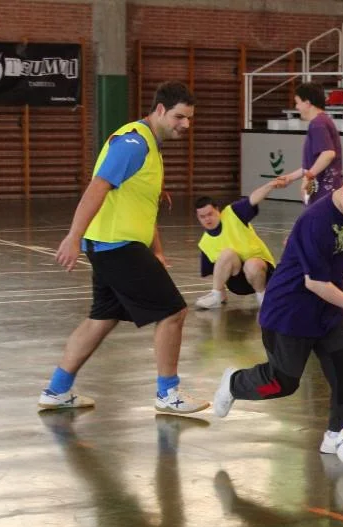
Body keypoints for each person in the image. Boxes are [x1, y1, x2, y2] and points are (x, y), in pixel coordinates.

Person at [40, 81, 209, 415]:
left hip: (113, 244)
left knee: (101, 319)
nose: (186, 125)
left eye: (189, 118)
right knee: (173, 312)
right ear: (160, 110)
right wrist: (73, 236)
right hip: (116, 245)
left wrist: (156, 250)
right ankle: (168, 393)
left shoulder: (150, 146)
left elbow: (142, 203)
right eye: (179, 117)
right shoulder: (133, 143)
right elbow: (97, 187)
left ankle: (56, 391)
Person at [211, 171, 343, 454]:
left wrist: (342, 303)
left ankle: (340, 434)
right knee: (281, 383)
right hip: (289, 312)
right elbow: (314, 282)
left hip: (327, 310)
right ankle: (235, 383)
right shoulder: (317, 220)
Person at [193, 176, 293, 310]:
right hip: (238, 283)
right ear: (198, 217)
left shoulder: (233, 213)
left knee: (252, 264)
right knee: (226, 254)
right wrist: (221, 294)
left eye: (210, 214)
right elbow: (216, 273)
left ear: (217, 210)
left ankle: (263, 297)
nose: (207, 219)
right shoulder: (205, 243)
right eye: (202, 217)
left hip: (261, 271)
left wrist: (270, 185)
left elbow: (253, 199)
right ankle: (216, 297)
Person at [286, 82, 343, 205]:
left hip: (324, 193)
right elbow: (313, 164)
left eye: (298, 102)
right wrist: (290, 177)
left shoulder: (318, 124)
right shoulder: (323, 121)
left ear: (307, 103)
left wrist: (308, 177)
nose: (296, 107)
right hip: (324, 192)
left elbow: (328, 154)